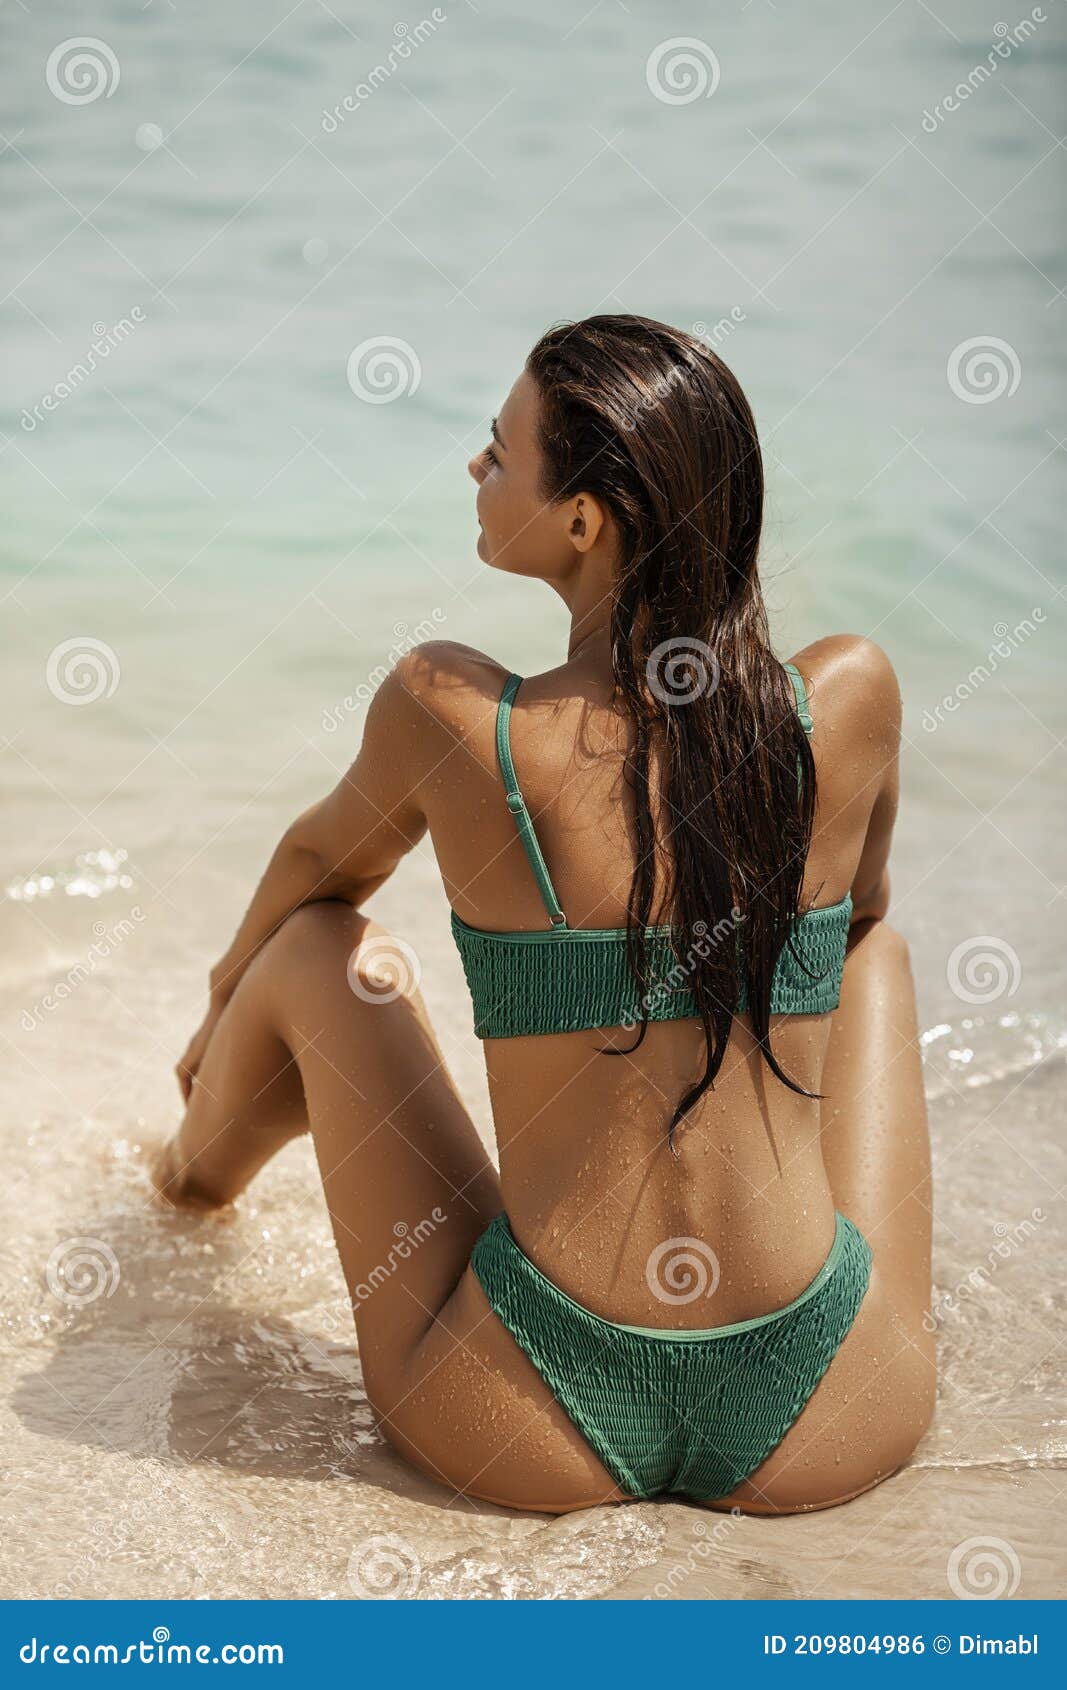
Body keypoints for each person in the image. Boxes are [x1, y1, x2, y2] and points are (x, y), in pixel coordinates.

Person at [155, 314, 935, 1514]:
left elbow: (315, 867)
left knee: (317, 949)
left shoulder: (455, 713)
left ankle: (184, 1187)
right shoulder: (847, 696)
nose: (475, 469)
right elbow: (861, 917)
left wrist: (218, 1003)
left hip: (529, 1411)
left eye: (497, 450)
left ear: (584, 520)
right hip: (826, 1410)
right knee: (869, 957)